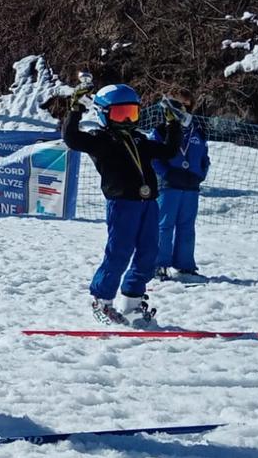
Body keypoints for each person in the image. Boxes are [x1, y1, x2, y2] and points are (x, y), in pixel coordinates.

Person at [62, 83, 181, 325]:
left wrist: (173, 123)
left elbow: (169, 151)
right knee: (119, 251)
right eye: (120, 114)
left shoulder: (139, 139)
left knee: (149, 252)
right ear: (103, 114)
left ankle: (131, 302)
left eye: (131, 113)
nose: (127, 120)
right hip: (122, 203)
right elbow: (71, 138)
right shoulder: (101, 139)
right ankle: (101, 300)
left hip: (148, 203)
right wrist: (75, 110)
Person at [152, 93, 209, 279]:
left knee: (187, 227)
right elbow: (154, 157)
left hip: (191, 186)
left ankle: (185, 265)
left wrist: (200, 174)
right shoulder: (161, 131)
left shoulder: (197, 131)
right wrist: (167, 174)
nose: (184, 109)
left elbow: (204, 156)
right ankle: (159, 265)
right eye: (180, 105)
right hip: (169, 186)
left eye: (187, 106)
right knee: (164, 226)